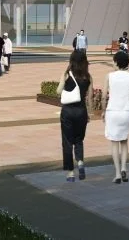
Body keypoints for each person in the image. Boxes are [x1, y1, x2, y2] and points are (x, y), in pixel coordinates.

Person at [104, 48, 129, 184]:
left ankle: (118, 173)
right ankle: (124, 167)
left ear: (116, 63)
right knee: (124, 141)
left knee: (114, 143)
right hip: (127, 112)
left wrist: (102, 110)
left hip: (112, 111)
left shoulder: (109, 76)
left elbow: (103, 96)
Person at [59, 49, 91, 182]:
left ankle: (71, 173)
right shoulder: (87, 77)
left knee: (67, 141)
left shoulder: (67, 74)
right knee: (79, 139)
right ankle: (80, 162)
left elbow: (58, 90)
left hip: (67, 112)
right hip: (81, 111)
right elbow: (89, 98)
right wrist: (88, 113)